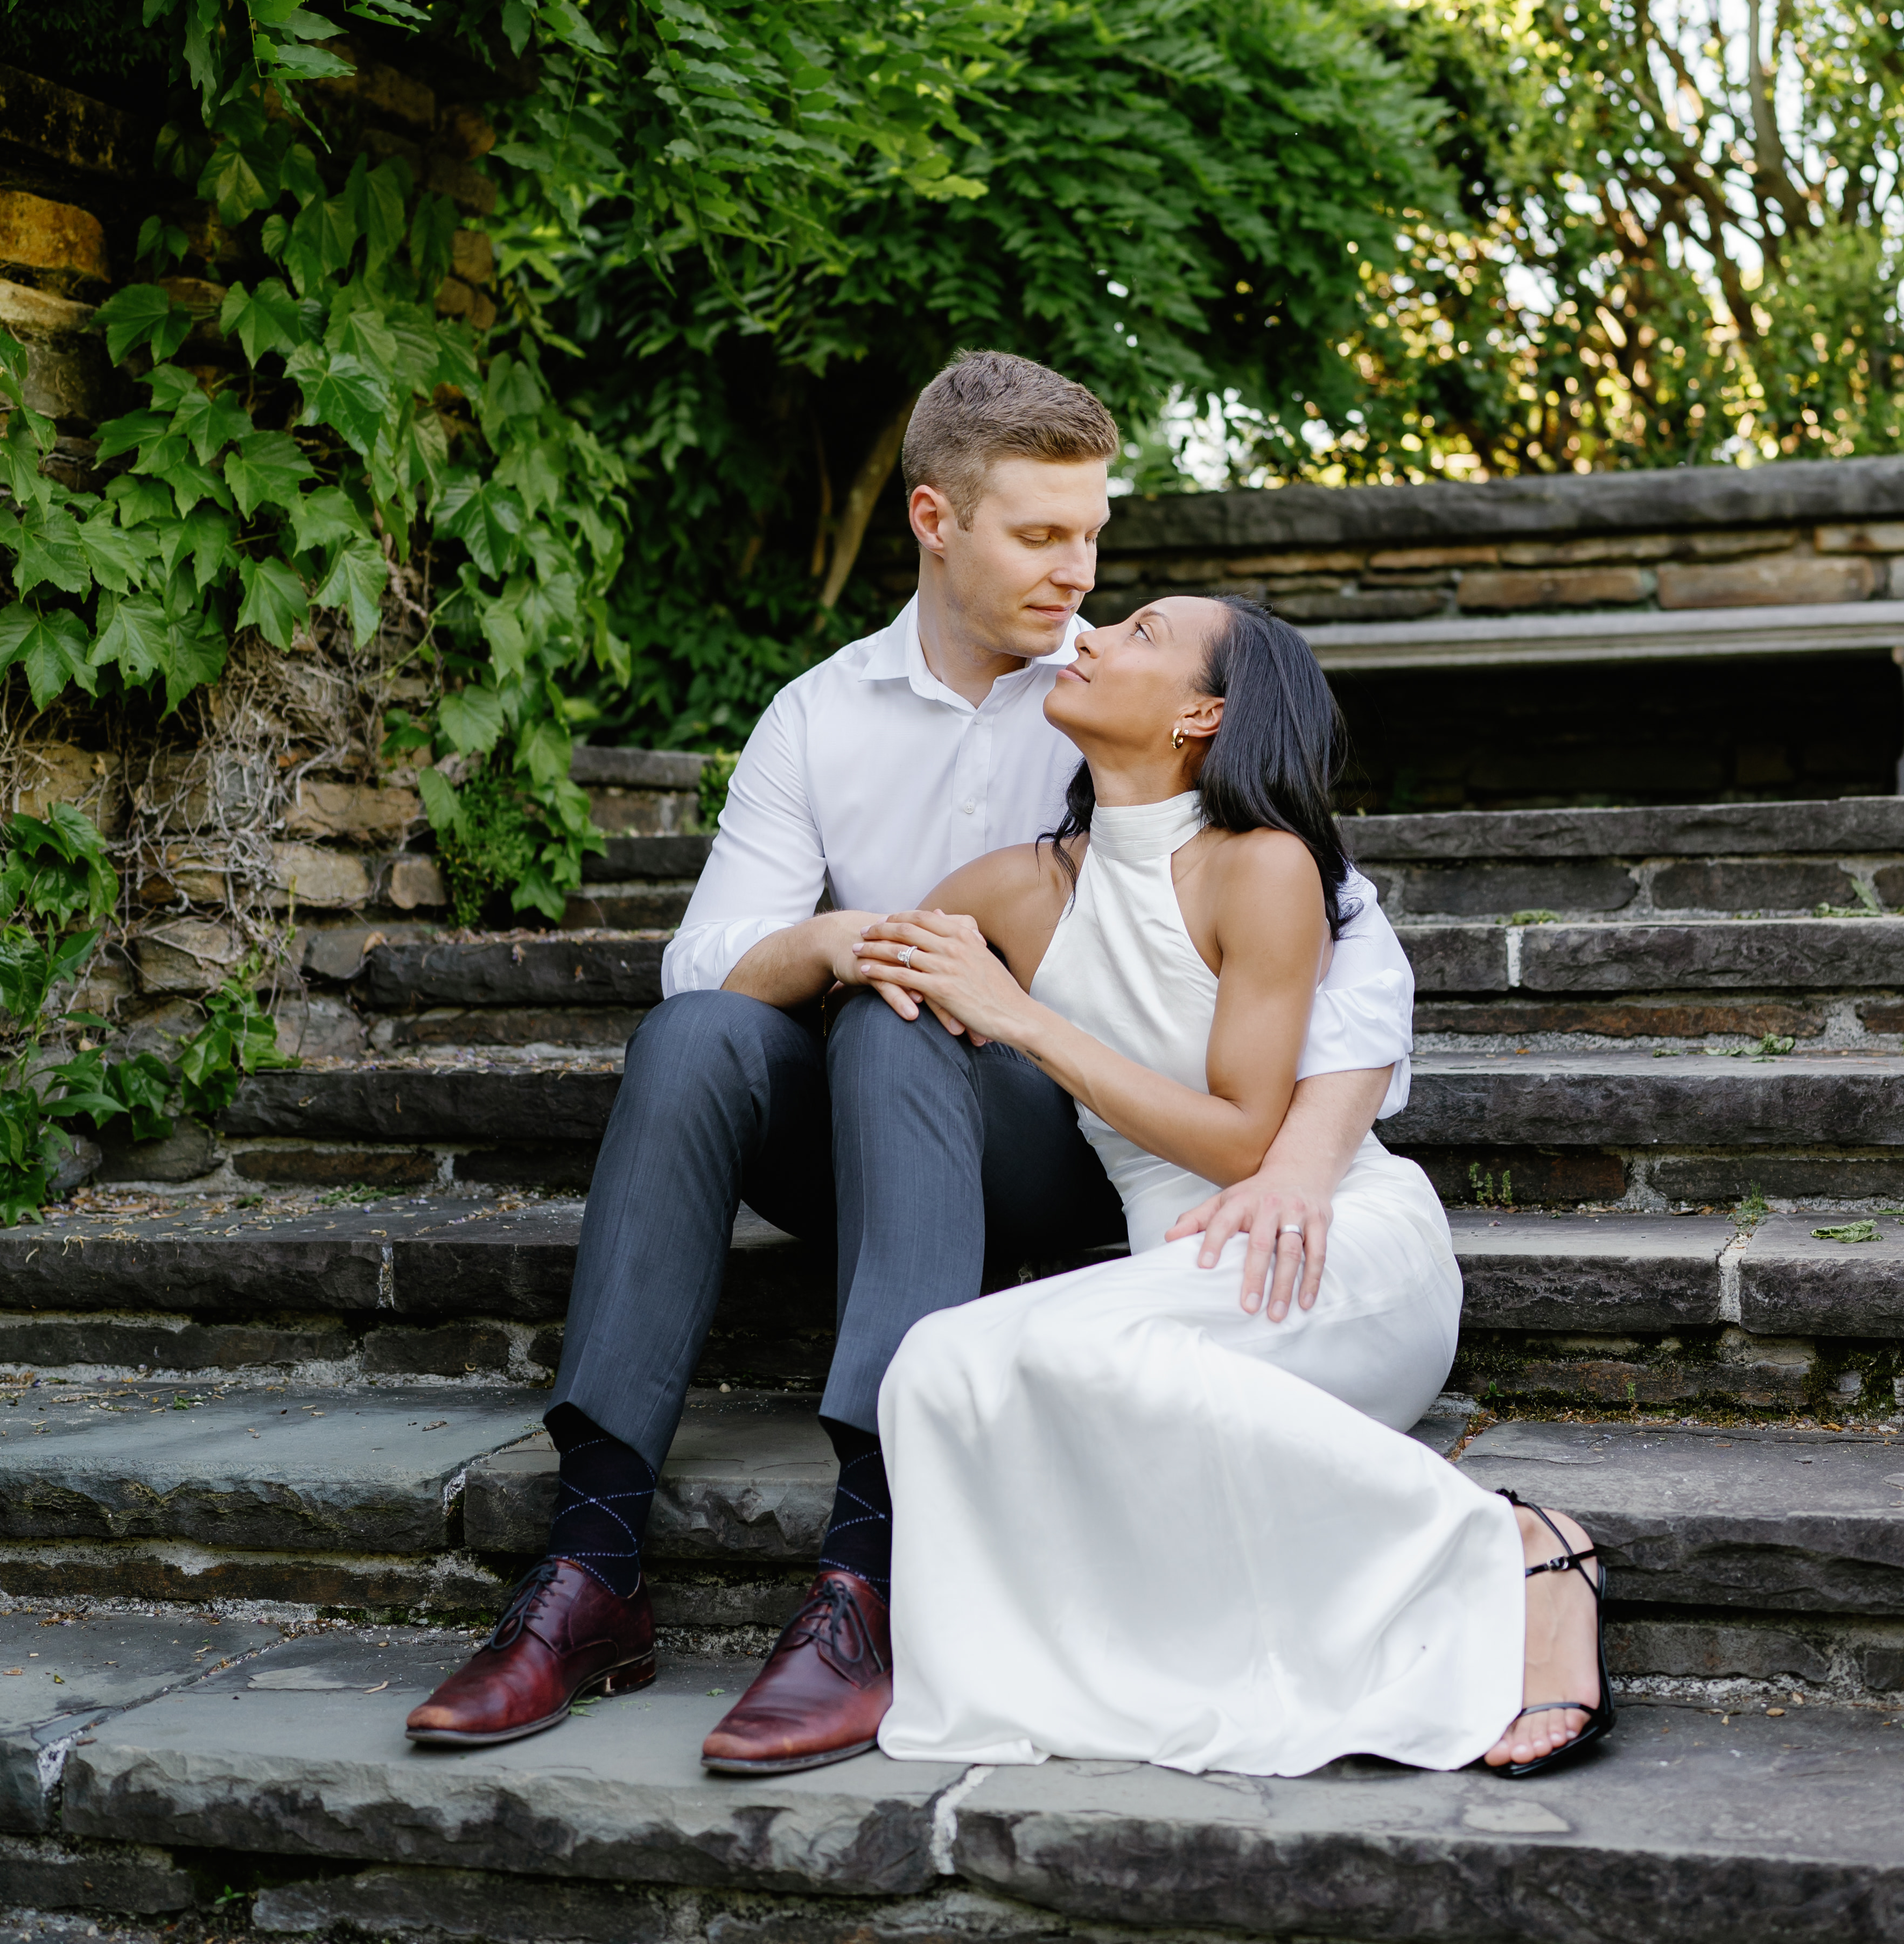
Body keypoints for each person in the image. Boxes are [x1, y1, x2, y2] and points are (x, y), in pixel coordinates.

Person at [407, 352, 1420, 1767]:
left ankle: (869, 1576)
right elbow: (705, 965)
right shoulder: (820, 717)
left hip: (1062, 1149)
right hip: (861, 1141)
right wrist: (841, 941)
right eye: (1041, 536)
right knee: (709, 1028)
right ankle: (589, 1570)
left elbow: (1354, 957)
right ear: (937, 522)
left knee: (902, 1020)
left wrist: (1301, 1160)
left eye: (1094, 539)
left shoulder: (1113, 698)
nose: (1079, 578)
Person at [856, 594, 1613, 1780]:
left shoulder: (1262, 867)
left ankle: (1518, 1547)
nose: (1089, 636)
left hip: (1319, 1245)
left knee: (1080, 1362)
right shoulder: (1009, 886)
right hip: (1176, 1275)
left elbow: (1245, 1143)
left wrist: (1013, 1017)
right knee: (934, 1367)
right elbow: (850, 971)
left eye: (1139, 633)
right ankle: (1091, 1680)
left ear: (1201, 716)